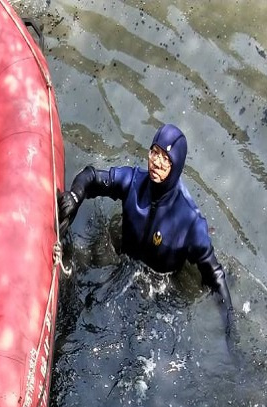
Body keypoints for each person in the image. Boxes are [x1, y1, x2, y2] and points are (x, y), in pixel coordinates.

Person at [58, 123, 235, 341]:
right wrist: (74, 197)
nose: (156, 163)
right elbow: (92, 177)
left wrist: (228, 327)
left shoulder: (189, 221)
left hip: (160, 288)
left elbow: (215, 276)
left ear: (176, 166)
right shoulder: (134, 182)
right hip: (122, 259)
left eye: (165, 159)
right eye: (154, 152)